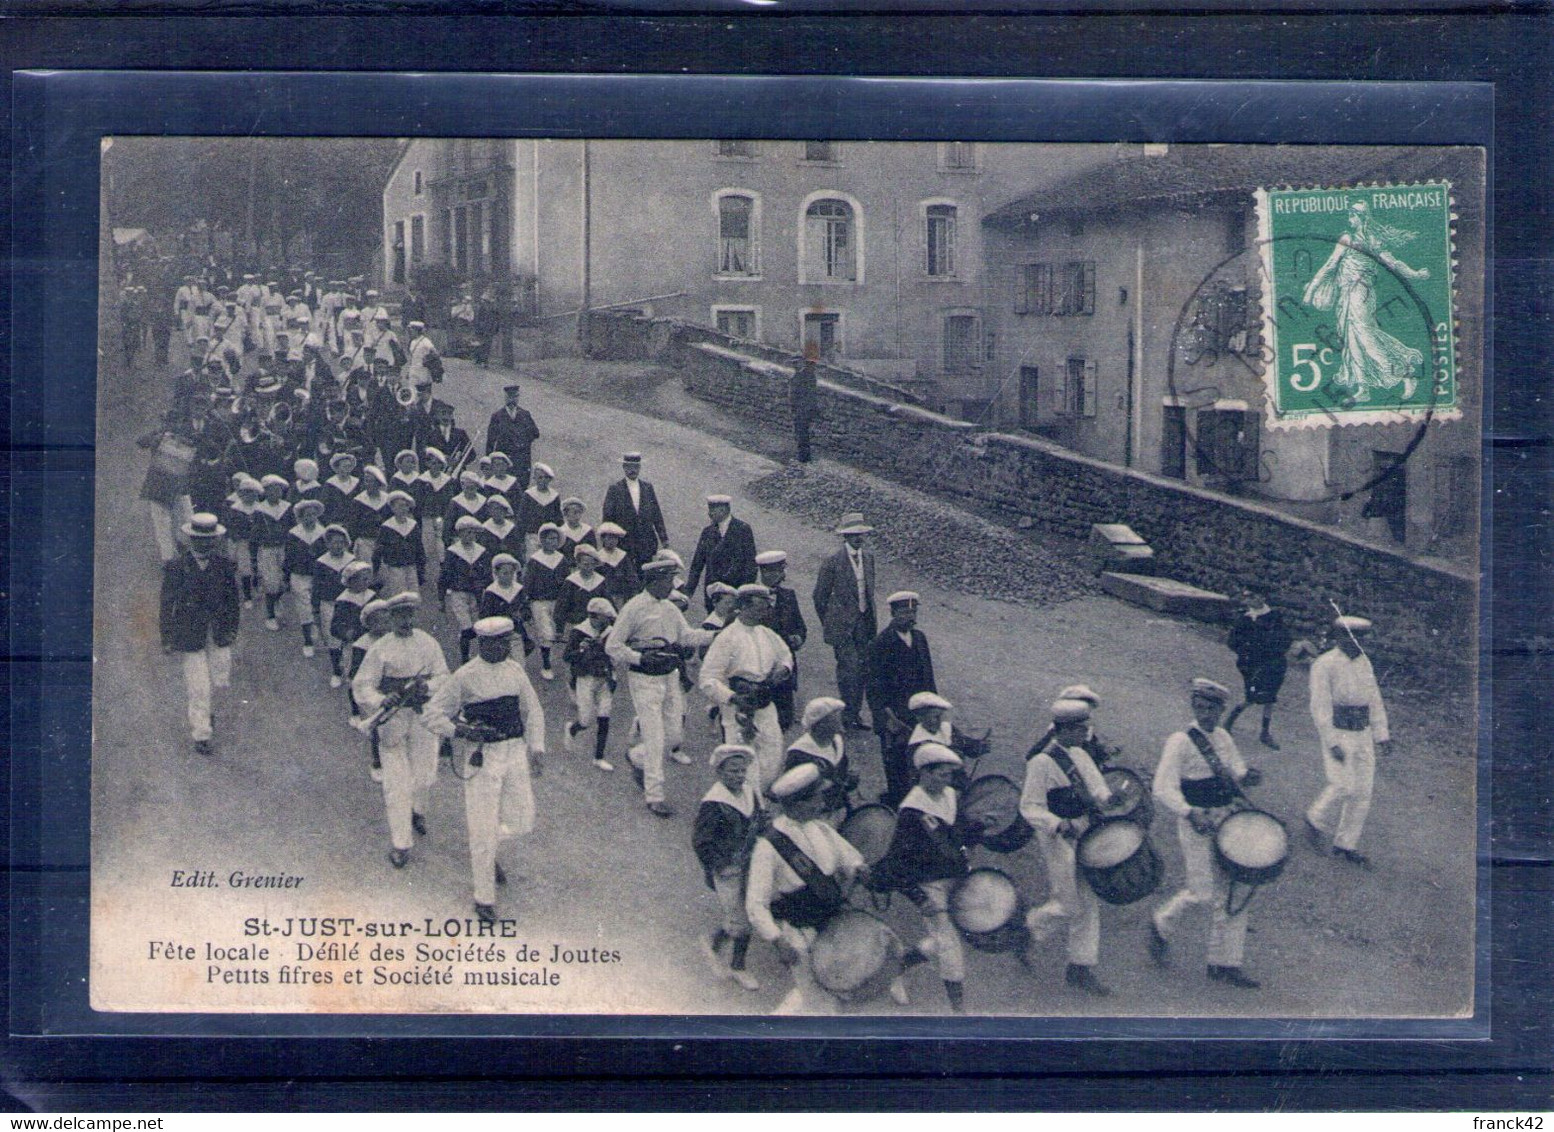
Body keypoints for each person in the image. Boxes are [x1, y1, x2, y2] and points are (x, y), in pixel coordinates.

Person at [423, 615, 546, 925]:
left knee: (522, 819)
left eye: (507, 641)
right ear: (482, 644)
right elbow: (432, 714)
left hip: (514, 750)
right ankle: (484, 898)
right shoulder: (466, 676)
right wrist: (461, 731)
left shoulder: (515, 670)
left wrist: (537, 747)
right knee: (481, 828)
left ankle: (490, 852)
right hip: (482, 757)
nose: (504, 647)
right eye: (497, 643)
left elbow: (532, 710)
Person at [1148, 678, 1264, 989]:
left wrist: (1247, 776)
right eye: (1199, 707)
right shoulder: (1180, 741)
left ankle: (1225, 963)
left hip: (1226, 818)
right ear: (1194, 707)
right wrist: (1189, 811)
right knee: (1202, 892)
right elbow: (1162, 787)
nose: (1205, 714)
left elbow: (1235, 770)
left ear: (1221, 709)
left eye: (1212, 709)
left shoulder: (1224, 737)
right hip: (1196, 820)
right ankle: (1162, 923)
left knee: (1233, 890)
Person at [745, 763, 868, 1015]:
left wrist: (859, 867)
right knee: (822, 1000)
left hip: (832, 924)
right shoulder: (768, 846)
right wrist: (777, 941)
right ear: (797, 803)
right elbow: (755, 904)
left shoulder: (821, 828)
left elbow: (850, 858)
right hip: (800, 932)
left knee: (825, 993)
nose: (823, 802)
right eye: (817, 797)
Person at [1020, 698, 1117, 997]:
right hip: (1058, 839)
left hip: (1085, 832)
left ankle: (1080, 967)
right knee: (1068, 902)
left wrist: (1109, 798)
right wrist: (1056, 824)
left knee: (1087, 900)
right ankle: (1025, 929)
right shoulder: (1042, 762)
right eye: (1080, 729)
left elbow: (1097, 787)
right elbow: (1029, 807)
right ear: (1063, 730)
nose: (1085, 733)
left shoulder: (1080, 755)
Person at [606, 555, 715, 817]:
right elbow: (613, 645)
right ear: (653, 581)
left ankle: (637, 757)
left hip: (669, 675)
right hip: (644, 679)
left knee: (674, 735)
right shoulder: (633, 608)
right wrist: (639, 657)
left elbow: (686, 636)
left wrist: (716, 635)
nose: (671, 586)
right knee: (655, 737)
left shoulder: (670, 608)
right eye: (668, 580)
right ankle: (654, 795)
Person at [873, 742, 976, 1013]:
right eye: (942, 775)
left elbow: (960, 831)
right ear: (925, 774)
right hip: (929, 884)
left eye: (949, 775)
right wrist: (918, 898)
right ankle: (959, 1009)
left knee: (943, 940)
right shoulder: (912, 811)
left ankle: (897, 967)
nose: (947, 780)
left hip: (955, 877)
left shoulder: (949, 796)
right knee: (949, 945)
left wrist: (975, 831)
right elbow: (898, 861)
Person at [352, 591, 450, 869]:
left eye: (409, 615)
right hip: (393, 721)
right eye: (399, 615)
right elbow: (362, 685)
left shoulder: (429, 644)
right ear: (390, 617)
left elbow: (445, 677)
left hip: (422, 719)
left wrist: (427, 687)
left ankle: (418, 811)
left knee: (424, 776)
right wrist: (381, 699)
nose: (405, 621)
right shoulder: (380, 648)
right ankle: (401, 843)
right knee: (397, 785)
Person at [1302, 199, 1430, 403]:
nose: (1349, 219)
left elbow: (1393, 263)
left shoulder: (1367, 241)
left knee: (1364, 334)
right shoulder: (1352, 238)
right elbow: (1330, 266)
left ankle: (1404, 371)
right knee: (1351, 339)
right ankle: (1363, 388)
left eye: (1352, 215)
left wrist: (1415, 274)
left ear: (1361, 218)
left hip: (1360, 292)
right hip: (1347, 295)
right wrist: (1312, 289)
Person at [1305, 615, 1391, 868]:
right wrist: (1331, 741)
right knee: (1342, 784)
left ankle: (1346, 844)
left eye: (1362, 637)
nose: (1357, 642)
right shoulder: (1325, 664)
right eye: (1351, 636)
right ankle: (1314, 819)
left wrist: (1382, 735)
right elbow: (1319, 706)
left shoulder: (1364, 662)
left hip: (1362, 732)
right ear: (1339, 636)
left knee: (1363, 791)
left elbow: (1374, 699)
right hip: (1338, 730)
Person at [160, 513, 242, 757]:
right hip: (189, 632)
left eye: (209, 540)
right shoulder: (177, 566)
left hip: (218, 632)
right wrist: (166, 637)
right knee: (198, 686)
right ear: (190, 539)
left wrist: (232, 629)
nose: (204, 544)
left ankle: (206, 714)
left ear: (215, 541)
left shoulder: (224, 565)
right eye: (199, 539)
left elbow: (233, 601)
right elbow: (166, 603)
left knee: (219, 680)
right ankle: (201, 733)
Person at [700, 584, 795, 792]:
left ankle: (757, 797)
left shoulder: (767, 634)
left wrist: (783, 670)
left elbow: (785, 655)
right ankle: (746, 807)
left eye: (766, 608)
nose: (764, 613)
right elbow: (707, 678)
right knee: (743, 761)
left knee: (773, 754)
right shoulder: (728, 637)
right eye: (759, 608)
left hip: (765, 701)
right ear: (743, 606)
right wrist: (732, 697)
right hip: (739, 706)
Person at [693, 744, 766, 992]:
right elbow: (701, 841)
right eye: (733, 771)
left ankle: (714, 941)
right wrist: (718, 865)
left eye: (742, 770)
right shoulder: (714, 803)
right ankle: (738, 966)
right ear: (720, 773)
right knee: (742, 917)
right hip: (728, 868)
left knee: (746, 911)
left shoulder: (749, 792)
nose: (739, 775)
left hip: (752, 862)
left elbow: (759, 819)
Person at [865, 591, 937, 807]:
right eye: (905, 612)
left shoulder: (920, 639)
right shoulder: (881, 643)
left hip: (920, 715)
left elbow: (929, 677)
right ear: (893, 614)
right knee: (896, 767)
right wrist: (885, 719)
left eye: (913, 611)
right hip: (895, 718)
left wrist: (934, 707)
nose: (910, 617)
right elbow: (874, 687)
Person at [811, 512, 877, 732]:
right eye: (853, 534)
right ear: (845, 536)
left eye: (861, 534)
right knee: (849, 670)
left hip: (864, 623)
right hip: (843, 627)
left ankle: (854, 714)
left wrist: (867, 618)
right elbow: (819, 596)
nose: (858, 538)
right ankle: (847, 715)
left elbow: (868, 592)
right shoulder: (833, 561)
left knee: (863, 669)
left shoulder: (868, 558)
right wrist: (831, 622)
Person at [1224, 590, 1294, 750]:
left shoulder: (1274, 617)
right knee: (1251, 696)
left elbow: (1285, 638)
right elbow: (1232, 641)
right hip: (1250, 664)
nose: (1250, 600)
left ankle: (1265, 732)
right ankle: (1229, 721)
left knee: (1269, 697)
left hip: (1273, 663)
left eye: (1253, 596)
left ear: (1262, 597)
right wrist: (1245, 651)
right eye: (1247, 597)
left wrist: (1274, 650)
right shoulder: (1244, 619)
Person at [562, 597, 619, 772]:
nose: (606, 622)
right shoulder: (579, 632)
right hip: (585, 678)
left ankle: (599, 757)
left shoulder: (610, 632)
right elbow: (567, 656)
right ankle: (572, 728)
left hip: (605, 677)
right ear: (594, 617)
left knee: (604, 715)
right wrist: (581, 649)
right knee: (586, 720)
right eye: (604, 618)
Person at [753, 549, 807, 731]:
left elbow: (800, 626)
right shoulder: (750, 598)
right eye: (779, 572)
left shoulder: (789, 596)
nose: (783, 577)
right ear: (765, 573)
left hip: (784, 669)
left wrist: (798, 637)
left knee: (784, 721)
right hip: (758, 667)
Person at [782, 696, 856, 818]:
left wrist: (848, 780)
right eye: (835, 719)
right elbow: (791, 793)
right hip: (811, 815)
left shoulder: (837, 742)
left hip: (840, 809)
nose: (840, 721)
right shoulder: (799, 753)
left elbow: (841, 774)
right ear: (820, 724)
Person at [684, 494, 759, 612]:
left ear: (724, 509)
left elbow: (751, 564)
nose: (710, 513)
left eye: (713, 509)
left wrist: (745, 592)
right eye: (710, 509)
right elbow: (697, 564)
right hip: (714, 594)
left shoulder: (743, 529)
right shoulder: (707, 532)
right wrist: (688, 593)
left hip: (736, 592)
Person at [439, 516, 494, 664]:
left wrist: (485, 588)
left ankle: (482, 656)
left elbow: (488, 574)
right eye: (465, 533)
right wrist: (441, 597)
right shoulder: (453, 552)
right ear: (459, 534)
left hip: (476, 593)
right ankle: (464, 657)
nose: (469, 536)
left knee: (478, 626)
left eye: (472, 533)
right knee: (466, 627)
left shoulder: (481, 552)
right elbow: (445, 575)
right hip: (459, 592)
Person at [601, 452, 670, 567]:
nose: (633, 470)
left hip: (645, 543)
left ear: (640, 468)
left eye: (636, 467)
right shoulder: (615, 489)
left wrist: (664, 538)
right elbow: (607, 517)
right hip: (624, 543)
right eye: (629, 467)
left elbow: (656, 514)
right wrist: (607, 541)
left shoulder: (647, 488)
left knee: (644, 574)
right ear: (624, 467)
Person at [282, 497, 329, 657]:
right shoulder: (294, 534)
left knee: (318, 606)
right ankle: (308, 640)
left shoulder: (323, 533)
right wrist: (286, 577)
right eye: (306, 515)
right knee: (304, 607)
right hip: (299, 575)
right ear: (300, 517)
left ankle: (321, 634)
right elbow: (288, 557)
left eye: (313, 515)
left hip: (317, 576)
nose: (310, 518)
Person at [522, 523, 569, 680]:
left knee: (555, 631)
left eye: (555, 539)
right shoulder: (535, 560)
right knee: (545, 632)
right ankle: (546, 664)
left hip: (556, 600)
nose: (552, 542)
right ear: (542, 540)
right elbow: (528, 583)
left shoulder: (561, 560)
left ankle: (551, 659)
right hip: (539, 601)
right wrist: (526, 602)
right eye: (549, 539)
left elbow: (566, 583)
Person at [250, 474, 293, 631]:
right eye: (271, 490)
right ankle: (270, 616)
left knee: (283, 582)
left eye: (278, 490)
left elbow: (292, 529)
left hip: (284, 548)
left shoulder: (287, 508)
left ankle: (277, 601)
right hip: (268, 550)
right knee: (271, 583)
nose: (275, 493)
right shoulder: (260, 511)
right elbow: (254, 536)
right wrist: (253, 559)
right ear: (265, 492)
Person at [374, 490, 427, 601]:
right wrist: (376, 569)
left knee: (414, 596)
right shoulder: (387, 527)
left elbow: (419, 548)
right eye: (399, 506)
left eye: (405, 506)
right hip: (395, 568)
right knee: (399, 596)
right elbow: (378, 550)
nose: (402, 509)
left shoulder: (413, 525)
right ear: (392, 509)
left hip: (411, 566)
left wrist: (421, 568)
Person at [485, 384, 541, 484]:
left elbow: (535, 433)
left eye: (515, 397)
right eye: (509, 397)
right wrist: (490, 464)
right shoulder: (497, 416)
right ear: (505, 398)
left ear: (518, 398)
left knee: (521, 487)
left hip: (522, 461)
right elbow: (490, 442)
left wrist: (523, 442)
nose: (512, 400)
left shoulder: (525, 414)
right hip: (504, 462)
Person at [519, 463, 563, 553]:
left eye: (546, 478)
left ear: (549, 479)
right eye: (540, 477)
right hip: (533, 536)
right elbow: (522, 518)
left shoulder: (554, 496)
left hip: (549, 537)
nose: (543, 480)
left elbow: (558, 518)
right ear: (535, 478)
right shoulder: (528, 495)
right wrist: (521, 540)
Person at [594, 522, 639, 609]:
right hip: (604, 595)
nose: (612, 541)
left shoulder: (623, 556)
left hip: (621, 594)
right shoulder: (598, 557)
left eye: (615, 538)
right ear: (603, 539)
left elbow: (631, 576)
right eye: (609, 538)